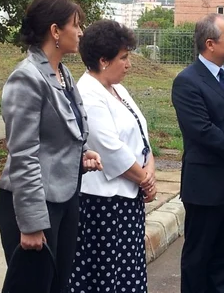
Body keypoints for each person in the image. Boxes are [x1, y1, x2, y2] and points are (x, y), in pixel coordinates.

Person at [0, 0, 103, 292]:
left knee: (58, 286)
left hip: (65, 200)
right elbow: (23, 154)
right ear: (55, 31)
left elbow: (59, 138)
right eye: (76, 24)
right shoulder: (27, 78)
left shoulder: (63, 74)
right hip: (34, 204)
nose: (81, 31)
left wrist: (81, 155)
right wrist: (30, 223)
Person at [171, 13, 224, 293]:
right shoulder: (187, 82)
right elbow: (202, 131)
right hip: (206, 187)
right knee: (199, 258)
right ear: (210, 44)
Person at [68, 19, 157, 293]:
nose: (129, 64)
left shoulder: (117, 89)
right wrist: (145, 180)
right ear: (103, 60)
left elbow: (141, 133)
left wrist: (150, 167)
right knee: (106, 278)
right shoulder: (88, 95)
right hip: (104, 206)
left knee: (128, 275)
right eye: (124, 58)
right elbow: (110, 149)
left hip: (128, 201)